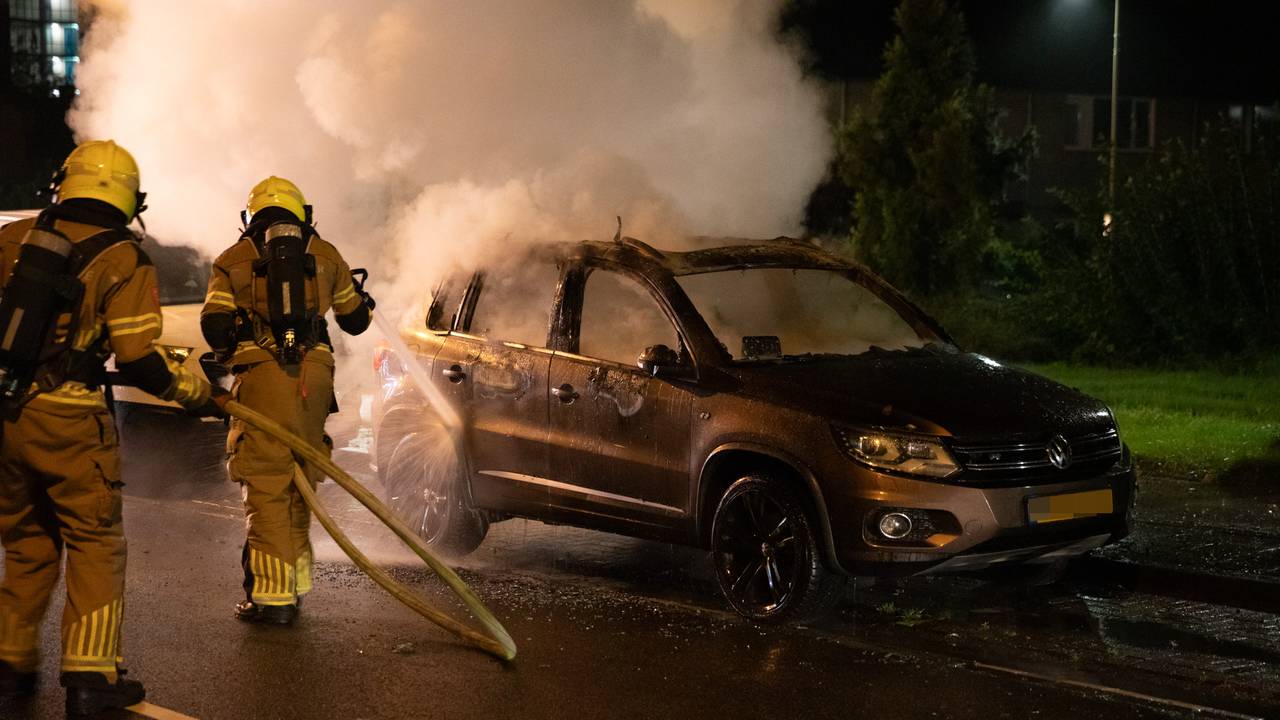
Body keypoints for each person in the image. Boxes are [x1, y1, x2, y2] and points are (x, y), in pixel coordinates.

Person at [0, 140, 227, 715]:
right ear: (129, 196)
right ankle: (91, 678)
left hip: (7, 418)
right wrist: (197, 394)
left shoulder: (11, 239)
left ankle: (8, 666)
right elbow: (137, 358)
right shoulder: (124, 258)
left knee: (26, 543)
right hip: (71, 421)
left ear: (63, 182)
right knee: (96, 543)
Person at [201, 176, 373, 626]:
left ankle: (272, 599)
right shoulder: (327, 254)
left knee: (266, 483)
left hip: (262, 375)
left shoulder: (233, 260)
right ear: (304, 214)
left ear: (249, 217)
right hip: (315, 377)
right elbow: (355, 322)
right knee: (299, 478)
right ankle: (293, 585)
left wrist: (236, 351)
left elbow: (215, 328)